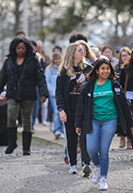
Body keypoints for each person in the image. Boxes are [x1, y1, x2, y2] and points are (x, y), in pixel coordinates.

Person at [75, 59, 133, 191]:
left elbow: (125, 106)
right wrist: (78, 124)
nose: (105, 71)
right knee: (91, 148)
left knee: (103, 150)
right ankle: (97, 167)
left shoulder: (114, 85)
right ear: (97, 71)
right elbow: (81, 106)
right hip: (93, 121)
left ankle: (103, 178)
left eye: (108, 69)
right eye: (102, 68)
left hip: (110, 120)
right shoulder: (89, 86)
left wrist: (132, 123)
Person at [0, 38, 48, 155]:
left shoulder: (33, 61)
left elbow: (40, 78)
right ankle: (12, 142)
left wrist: (43, 93)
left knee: (27, 119)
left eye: (23, 48)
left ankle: (26, 148)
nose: (20, 50)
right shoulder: (9, 61)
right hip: (12, 94)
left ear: (26, 49)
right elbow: (1, 79)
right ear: (14, 48)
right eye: (18, 48)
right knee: (11, 116)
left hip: (28, 94)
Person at [56, 42, 92, 176]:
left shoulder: (88, 69)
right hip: (69, 107)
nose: (83, 52)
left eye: (83, 50)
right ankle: (72, 164)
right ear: (72, 53)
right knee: (71, 137)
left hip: (84, 107)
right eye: (79, 50)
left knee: (85, 136)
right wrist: (61, 110)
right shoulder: (64, 71)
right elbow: (59, 92)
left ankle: (85, 164)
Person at [115, 47, 132, 149]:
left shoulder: (131, 67)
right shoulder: (117, 67)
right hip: (120, 95)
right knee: (120, 117)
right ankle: (122, 138)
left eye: (126, 55)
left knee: (130, 117)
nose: (124, 57)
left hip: (130, 95)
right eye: (122, 55)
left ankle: (130, 139)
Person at [45, 52, 64, 139]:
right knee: (56, 112)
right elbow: (47, 81)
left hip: (62, 94)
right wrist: (52, 91)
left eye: (59, 59)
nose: (57, 61)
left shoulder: (63, 69)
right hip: (53, 95)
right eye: (55, 59)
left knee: (63, 112)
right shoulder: (49, 69)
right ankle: (57, 130)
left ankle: (62, 130)